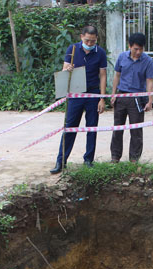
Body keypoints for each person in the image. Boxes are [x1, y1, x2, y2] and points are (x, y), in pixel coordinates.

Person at [50, 25, 107, 174]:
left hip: (93, 94)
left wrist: (102, 98)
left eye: (92, 41)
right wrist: (67, 69)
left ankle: (88, 160)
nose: (89, 44)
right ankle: (61, 161)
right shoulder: (72, 49)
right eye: (87, 40)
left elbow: (103, 75)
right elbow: (64, 69)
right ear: (81, 37)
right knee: (69, 127)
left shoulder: (100, 53)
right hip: (75, 94)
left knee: (92, 128)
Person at [110, 32, 153, 163]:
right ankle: (115, 157)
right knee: (117, 128)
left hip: (137, 98)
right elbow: (117, 76)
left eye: (141, 49)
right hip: (121, 95)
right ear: (129, 46)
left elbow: (149, 81)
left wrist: (150, 100)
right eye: (136, 49)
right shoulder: (122, 57)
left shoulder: (148, 61)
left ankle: (134, 158)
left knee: (136, 130)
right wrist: (113, 94)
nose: (138, 52)